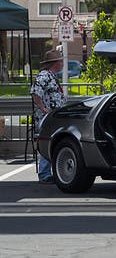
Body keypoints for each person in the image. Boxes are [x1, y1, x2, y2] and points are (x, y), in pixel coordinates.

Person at [30, 49, 67, 183]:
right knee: (47, 142)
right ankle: (44, 174)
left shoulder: (51, 76)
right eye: (60, 61)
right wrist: (43, 108)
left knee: (50, 142)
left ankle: (46, 173)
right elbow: (35, 93)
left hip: (52, 117)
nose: (62, 63)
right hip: (47, 118)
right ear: (55, 63)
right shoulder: (44, 76)